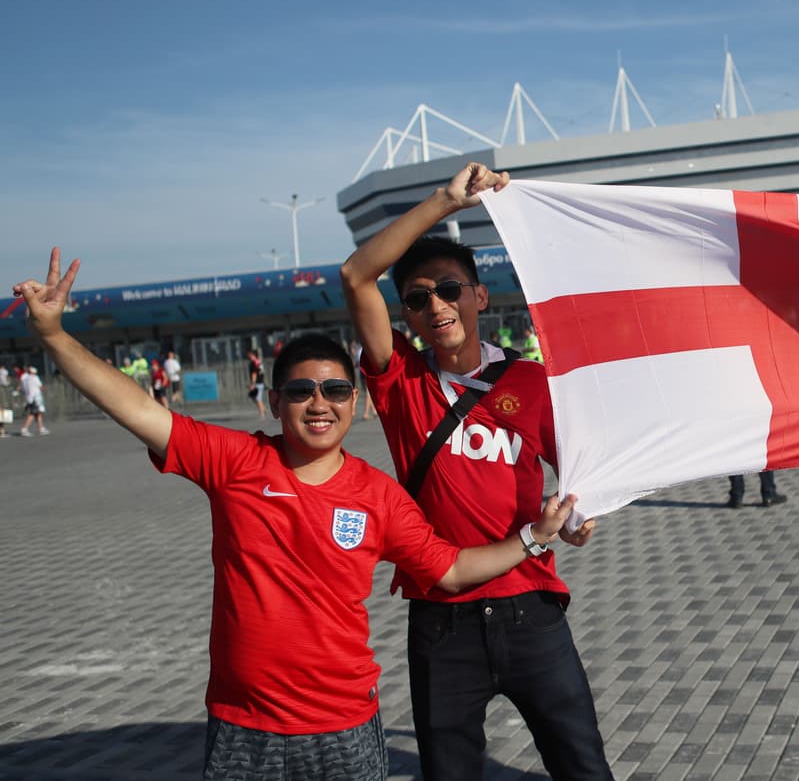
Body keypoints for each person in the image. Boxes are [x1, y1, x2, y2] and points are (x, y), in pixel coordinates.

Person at [14, 248, 577, 781]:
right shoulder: (236, 463)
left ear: (354, 404)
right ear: (277, 400)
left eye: (334, 389)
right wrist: (54, 336)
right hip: (244, 725)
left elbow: (449, 569)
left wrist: (535, 537)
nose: (319, 402)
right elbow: (137, 408)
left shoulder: (378, 495)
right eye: (301, 389)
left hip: (348, 726)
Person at [341, 162, 613, 780]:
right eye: (417, 298)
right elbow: (356, 275)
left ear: (479, 296)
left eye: (449, 289)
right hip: (441, 618)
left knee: (583, 766)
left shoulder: (530, 382)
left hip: (531, 609)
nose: (435, 305)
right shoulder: (401, 381)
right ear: (406, 315)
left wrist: (578, 519)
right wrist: (444, 201)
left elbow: (575, 476)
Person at [18, 363, 49, 436]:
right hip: (36, 398)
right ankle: (24, 428)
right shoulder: (34, 377)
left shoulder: (25, 378)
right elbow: (41, 387)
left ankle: (41, 428)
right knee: (32, 413)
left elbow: (22, 389)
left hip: (29, 398)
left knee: (38, 413)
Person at [246, 348, 266, 418]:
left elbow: (254, 374)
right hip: (261, 382)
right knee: (254, 397)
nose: (248, 356)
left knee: (257, 398)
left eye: (249, 354)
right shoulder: (259, 362)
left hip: (257, 383)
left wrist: (253, 384)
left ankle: (262, 413)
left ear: (252, 355)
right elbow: (262, 372)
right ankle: (263, 408)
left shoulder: (253, 363)